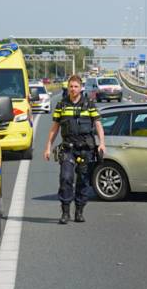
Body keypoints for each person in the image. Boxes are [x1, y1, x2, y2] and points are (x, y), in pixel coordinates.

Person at [44, 74, 105, 224]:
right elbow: (54, 128)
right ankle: (65, 212)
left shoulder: (89, 104)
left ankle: (79, 211)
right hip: (68, 148)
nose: (73, 89)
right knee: (66, 178)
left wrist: (102, 143)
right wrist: (48, 147)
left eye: (76, 86)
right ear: (68, 87)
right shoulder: (62, 105)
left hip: (86, 149)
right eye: (71, 86)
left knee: (83, 181)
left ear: (81, 88)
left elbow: (98, 125)